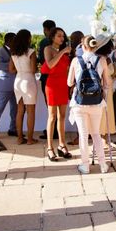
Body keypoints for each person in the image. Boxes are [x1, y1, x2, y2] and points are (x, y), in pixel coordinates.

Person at [68, 35, 112, 174]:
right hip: (96, 102)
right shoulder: (102, 60)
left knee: (83, 135)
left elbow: (69, 82)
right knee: (96, 134)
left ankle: (85, 165)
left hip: (79, 103)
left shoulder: (76, 60)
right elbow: (107, 83)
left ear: (82, 45)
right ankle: (103, 165)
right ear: (95, 46)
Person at [41, 27, 72, 161]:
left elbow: (67, 70)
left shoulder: (64, 52)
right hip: (52, 85)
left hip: (63, 84)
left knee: (62, 116)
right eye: (59, 36)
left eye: (63, 36)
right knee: (52, 116)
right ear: (52, 37)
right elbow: (51, 64)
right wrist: (63, 51)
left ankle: (62, 145)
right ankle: (49, 147)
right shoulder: (48, 49)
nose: (62, 38)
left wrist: (70, 85)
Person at [9, 29, 38, 145]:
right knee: (31, 111)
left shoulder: (13, 53)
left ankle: (20, 138)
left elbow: (10, 70)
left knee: (20, 111)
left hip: (18, 80)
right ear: (28, 38)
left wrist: (20, 69)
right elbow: (32, 69)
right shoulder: (31, 52)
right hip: (28, 80)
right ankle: (30, 139)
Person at [37, 19, 57, 140]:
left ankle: (52, 130)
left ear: (46, 29)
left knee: (50, 105)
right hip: (60, 76)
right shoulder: (63, 40)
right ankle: (57, 130)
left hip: (48, 76)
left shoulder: (45, 42)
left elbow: (41, 59)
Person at [95, 36, 116, 139]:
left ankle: (104, 137)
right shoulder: (99, 59)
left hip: (108, 88)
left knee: (106, 112)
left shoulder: (107, 58)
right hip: (103, 88)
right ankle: (100, 137)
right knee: (102, 112)